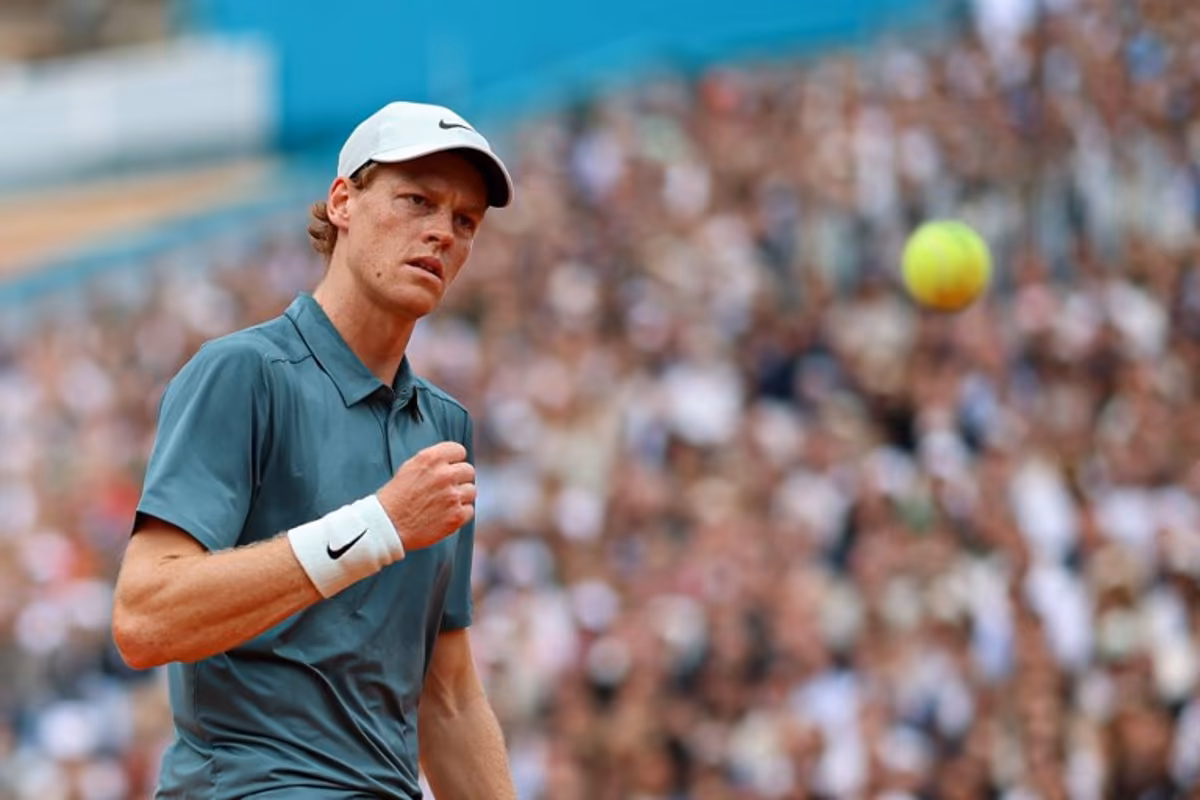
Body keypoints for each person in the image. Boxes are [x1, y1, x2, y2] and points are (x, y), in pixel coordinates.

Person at [111, 100, 519, 799]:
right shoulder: (242, 372)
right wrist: (377, 527)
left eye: (464, 221)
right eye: (416, 200)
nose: (441, 234)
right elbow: (145, 618)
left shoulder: (445, 430)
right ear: (342, 202)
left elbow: (446, 697)